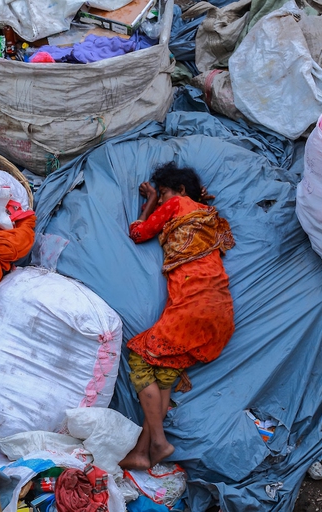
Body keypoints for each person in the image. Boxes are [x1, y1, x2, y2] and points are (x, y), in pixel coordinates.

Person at [119, 162, 236, 470]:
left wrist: (151, 203)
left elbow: (139, 232)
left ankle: (159, 441)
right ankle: (143, 451)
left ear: (179, 191)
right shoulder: (208, 216)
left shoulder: (177, 203)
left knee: (139, 355)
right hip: (220, 311)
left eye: (166, 191)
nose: (163, 197)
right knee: (165, 369)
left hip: (192, 303)